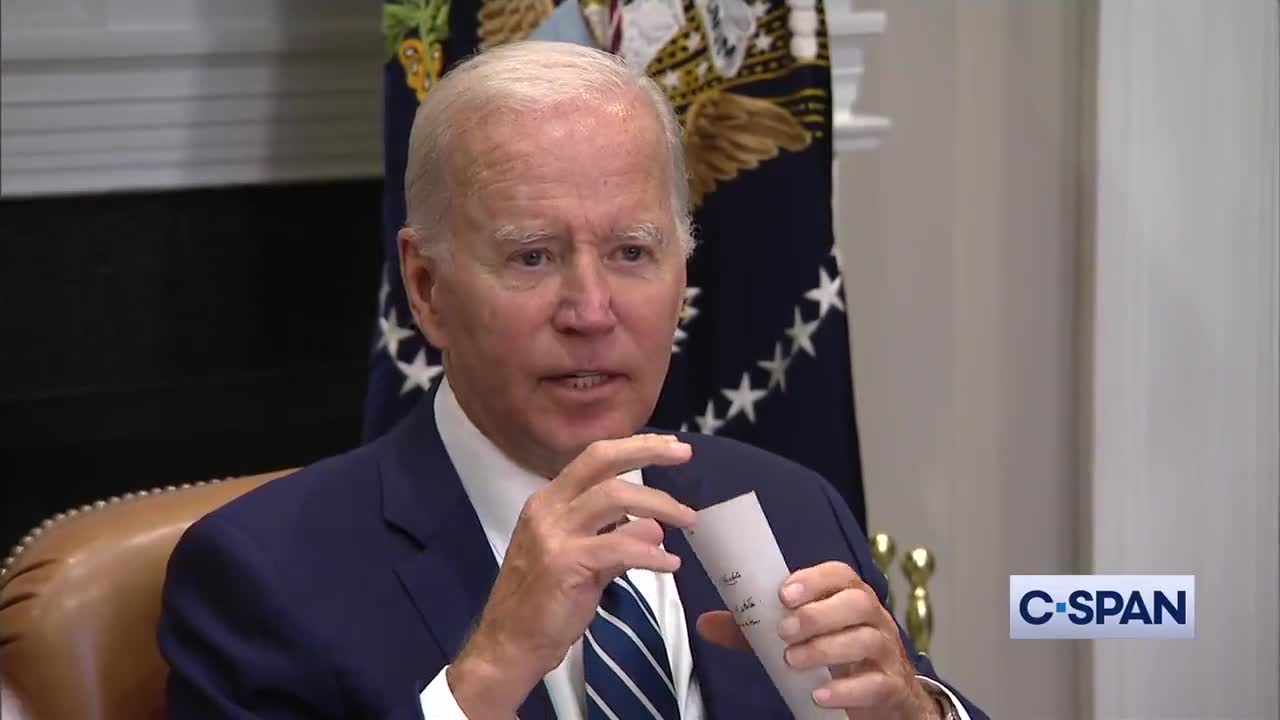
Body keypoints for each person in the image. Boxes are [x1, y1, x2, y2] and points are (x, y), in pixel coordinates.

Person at [157, 40, 986, 720]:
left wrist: (918, 712)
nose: (590, 310)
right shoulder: (261, 575)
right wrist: (487, 675)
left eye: (632, 252)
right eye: (531, 256)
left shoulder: (790, 506)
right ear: (427, 287)